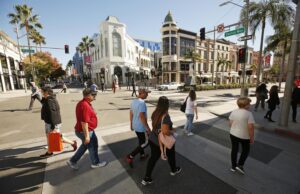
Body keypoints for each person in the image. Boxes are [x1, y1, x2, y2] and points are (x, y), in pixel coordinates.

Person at [142, 96, 181, 186]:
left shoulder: (155, 113)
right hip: (164, 141)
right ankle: (173, 170)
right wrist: (173, 131)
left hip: (153, 139)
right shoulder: (165, 116)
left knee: (153, 158)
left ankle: (146, 178)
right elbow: (165, 131)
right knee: (171, 155)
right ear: (166, 105)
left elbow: (156, 127)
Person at [67, 88, 107, 170]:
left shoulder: (84, 103)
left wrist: (93, 113)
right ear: (88, 95)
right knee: (93, 146)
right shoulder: (85, 105)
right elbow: (84, 122)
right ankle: (95, 163)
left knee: (85, 146)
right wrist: (87, 136)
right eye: (93, 95)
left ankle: (72, 161)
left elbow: (87, 116)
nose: (95, 96)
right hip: (86, 131)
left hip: (83, 130)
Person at [39, 86, 77, 158]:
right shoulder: (48, 99)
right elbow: (43, 102)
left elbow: (53, 113)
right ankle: (72, 143)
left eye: (42, 92)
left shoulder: (50, 101)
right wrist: (44, 97)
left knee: (54, 137)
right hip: (50, 122)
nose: (41, 93)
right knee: (54, 137)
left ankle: (50, 152)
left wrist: (53, 126)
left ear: (46, 92)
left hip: (52, 123)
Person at [229, 97, 255, 175]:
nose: (250, 105)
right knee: (245, 150)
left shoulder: (234, 112)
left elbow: (230, 124)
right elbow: (251, 128)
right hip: (244, 136)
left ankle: (233, 167)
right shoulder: (249, 114)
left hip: (233, 134)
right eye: (249, 104)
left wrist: (236, 128)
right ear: (245, 105)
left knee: (234, 150)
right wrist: (251, 138)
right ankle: (240, 165)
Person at [126, 88, 151, 168]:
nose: (147, 95)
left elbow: (131, 113)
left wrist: (131, 124)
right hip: (141, 127)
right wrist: (147, 128)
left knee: (141, 141)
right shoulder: (142, 103)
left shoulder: (134, 101)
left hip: (135, 125)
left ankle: (142, 155)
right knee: (146, 143)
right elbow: (142, 116)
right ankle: (130, 156)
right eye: (146, 93)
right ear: (142, 93)